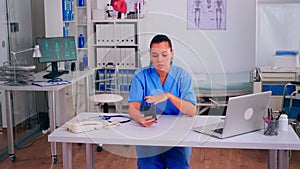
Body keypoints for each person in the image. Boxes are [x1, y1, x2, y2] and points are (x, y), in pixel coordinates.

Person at [128, 34, 197, 169]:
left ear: (172, 53)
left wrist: (169, 96)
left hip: (177, 129)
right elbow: (132, 108)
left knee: (180, 165)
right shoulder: (141, 76)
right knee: (148, 165)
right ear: (150, 55)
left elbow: (191, 111)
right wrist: (140, 117)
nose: (159, 60)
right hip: (149, 130)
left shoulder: (182, 76)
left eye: (164, 55)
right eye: (155, 55)